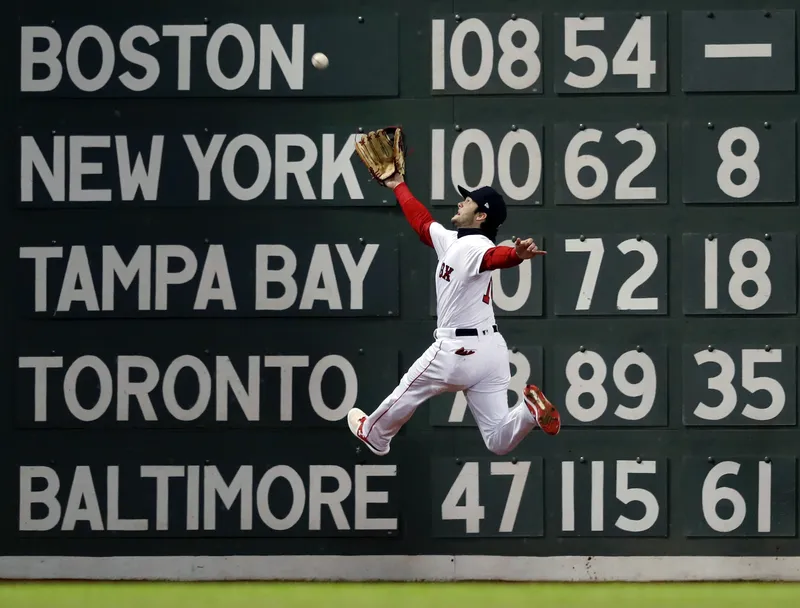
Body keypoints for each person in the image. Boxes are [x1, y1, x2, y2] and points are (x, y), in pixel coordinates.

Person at [347, 170, 561, 457]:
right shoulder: (455, 241)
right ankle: (528, 412)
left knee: (408, 389)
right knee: (497, 440)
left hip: (457, 351)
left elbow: (492, 258)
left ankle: (374, 434)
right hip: (491, 353)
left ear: (481, 216)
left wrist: (515, 255)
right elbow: (422, 222)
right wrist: (399, 186)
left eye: (468, 201)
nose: (461, 203)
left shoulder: (475, 246)